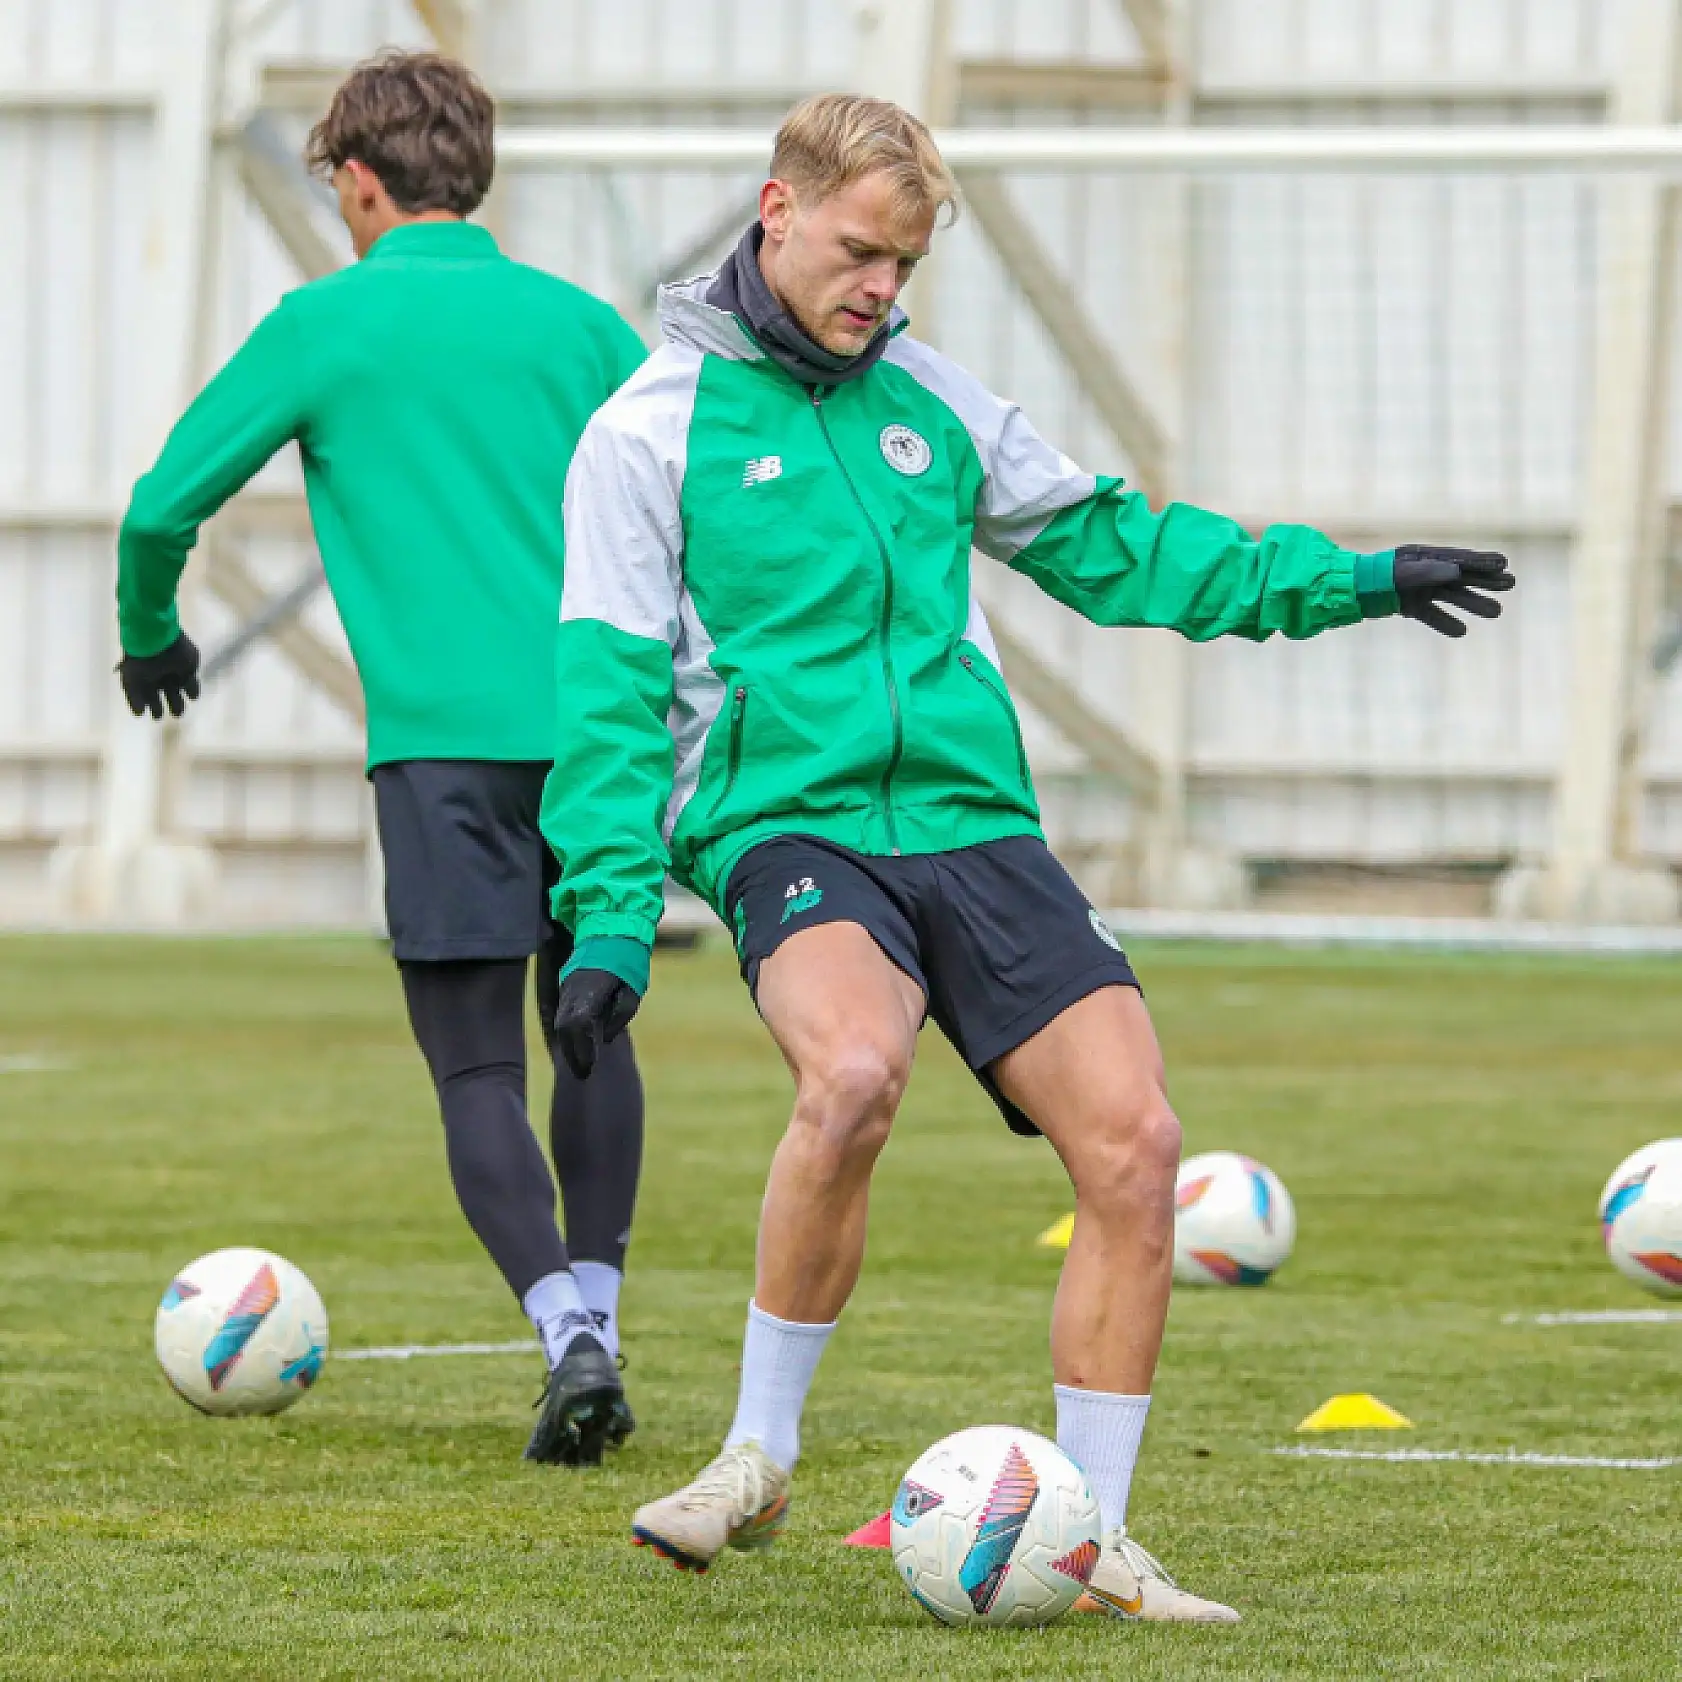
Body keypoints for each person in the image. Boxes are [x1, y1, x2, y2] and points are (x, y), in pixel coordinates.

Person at [541, 93, 1514, 1614]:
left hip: (975, 821)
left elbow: (1120, 551)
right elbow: (605, 700)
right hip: (785, 823)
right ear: (775, 211)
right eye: (859, 253)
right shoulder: (643, 433)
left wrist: (1355, 579)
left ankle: (1094, 1538)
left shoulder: (933, 398)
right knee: (853, 1075)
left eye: (906, 265)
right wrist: (609, 921)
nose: (882, 290)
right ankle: (757, 1454)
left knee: (1136, 1143)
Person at [114, 50, 648, 1466]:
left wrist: (150, 635)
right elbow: (695, 500)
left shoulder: (325, 323)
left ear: (357, 183)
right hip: (600, 735)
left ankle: (564, 1334)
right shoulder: (585, 328)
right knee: (593, 1027)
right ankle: (603, 1308)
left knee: (476, 1070)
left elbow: (160, 509)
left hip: (438, 758)